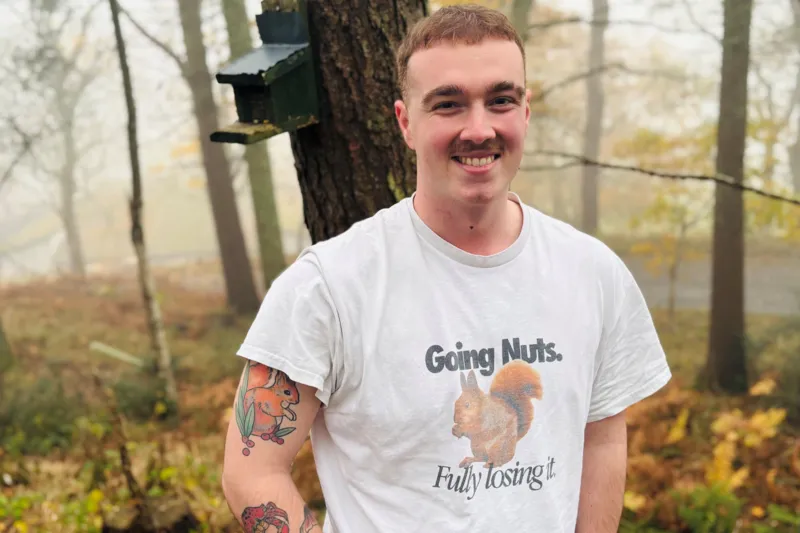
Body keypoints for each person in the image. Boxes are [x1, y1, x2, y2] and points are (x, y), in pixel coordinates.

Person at [221, 4, 672, 532]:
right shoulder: (328, 287)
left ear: (525, 113)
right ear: (406, 122)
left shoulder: (593, 273)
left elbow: (602, 438)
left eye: (500, 100)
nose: (478, 129)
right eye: (449, 105)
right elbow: (252, 471)